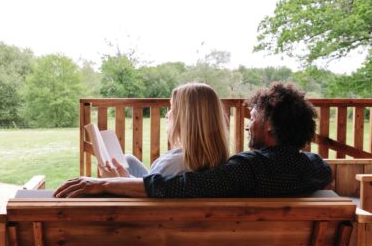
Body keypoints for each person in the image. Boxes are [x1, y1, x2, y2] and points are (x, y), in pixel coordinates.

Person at [54, 82, 331, 198]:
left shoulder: (246, 170)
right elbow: (324, 170)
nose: (249, 123)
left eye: (254, 117)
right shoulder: (314, 167)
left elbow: (179, 185)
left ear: (269, 125)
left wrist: (105, 182)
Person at [100, 83, 229, 179]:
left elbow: (145, 193)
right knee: (128, 160)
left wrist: (118, 180)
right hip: (152, 187)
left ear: (186, 120)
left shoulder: (172, 165)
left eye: (173, 109)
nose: (167, 114)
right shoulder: (211, 158)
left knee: (113, 170)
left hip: (144, 201)